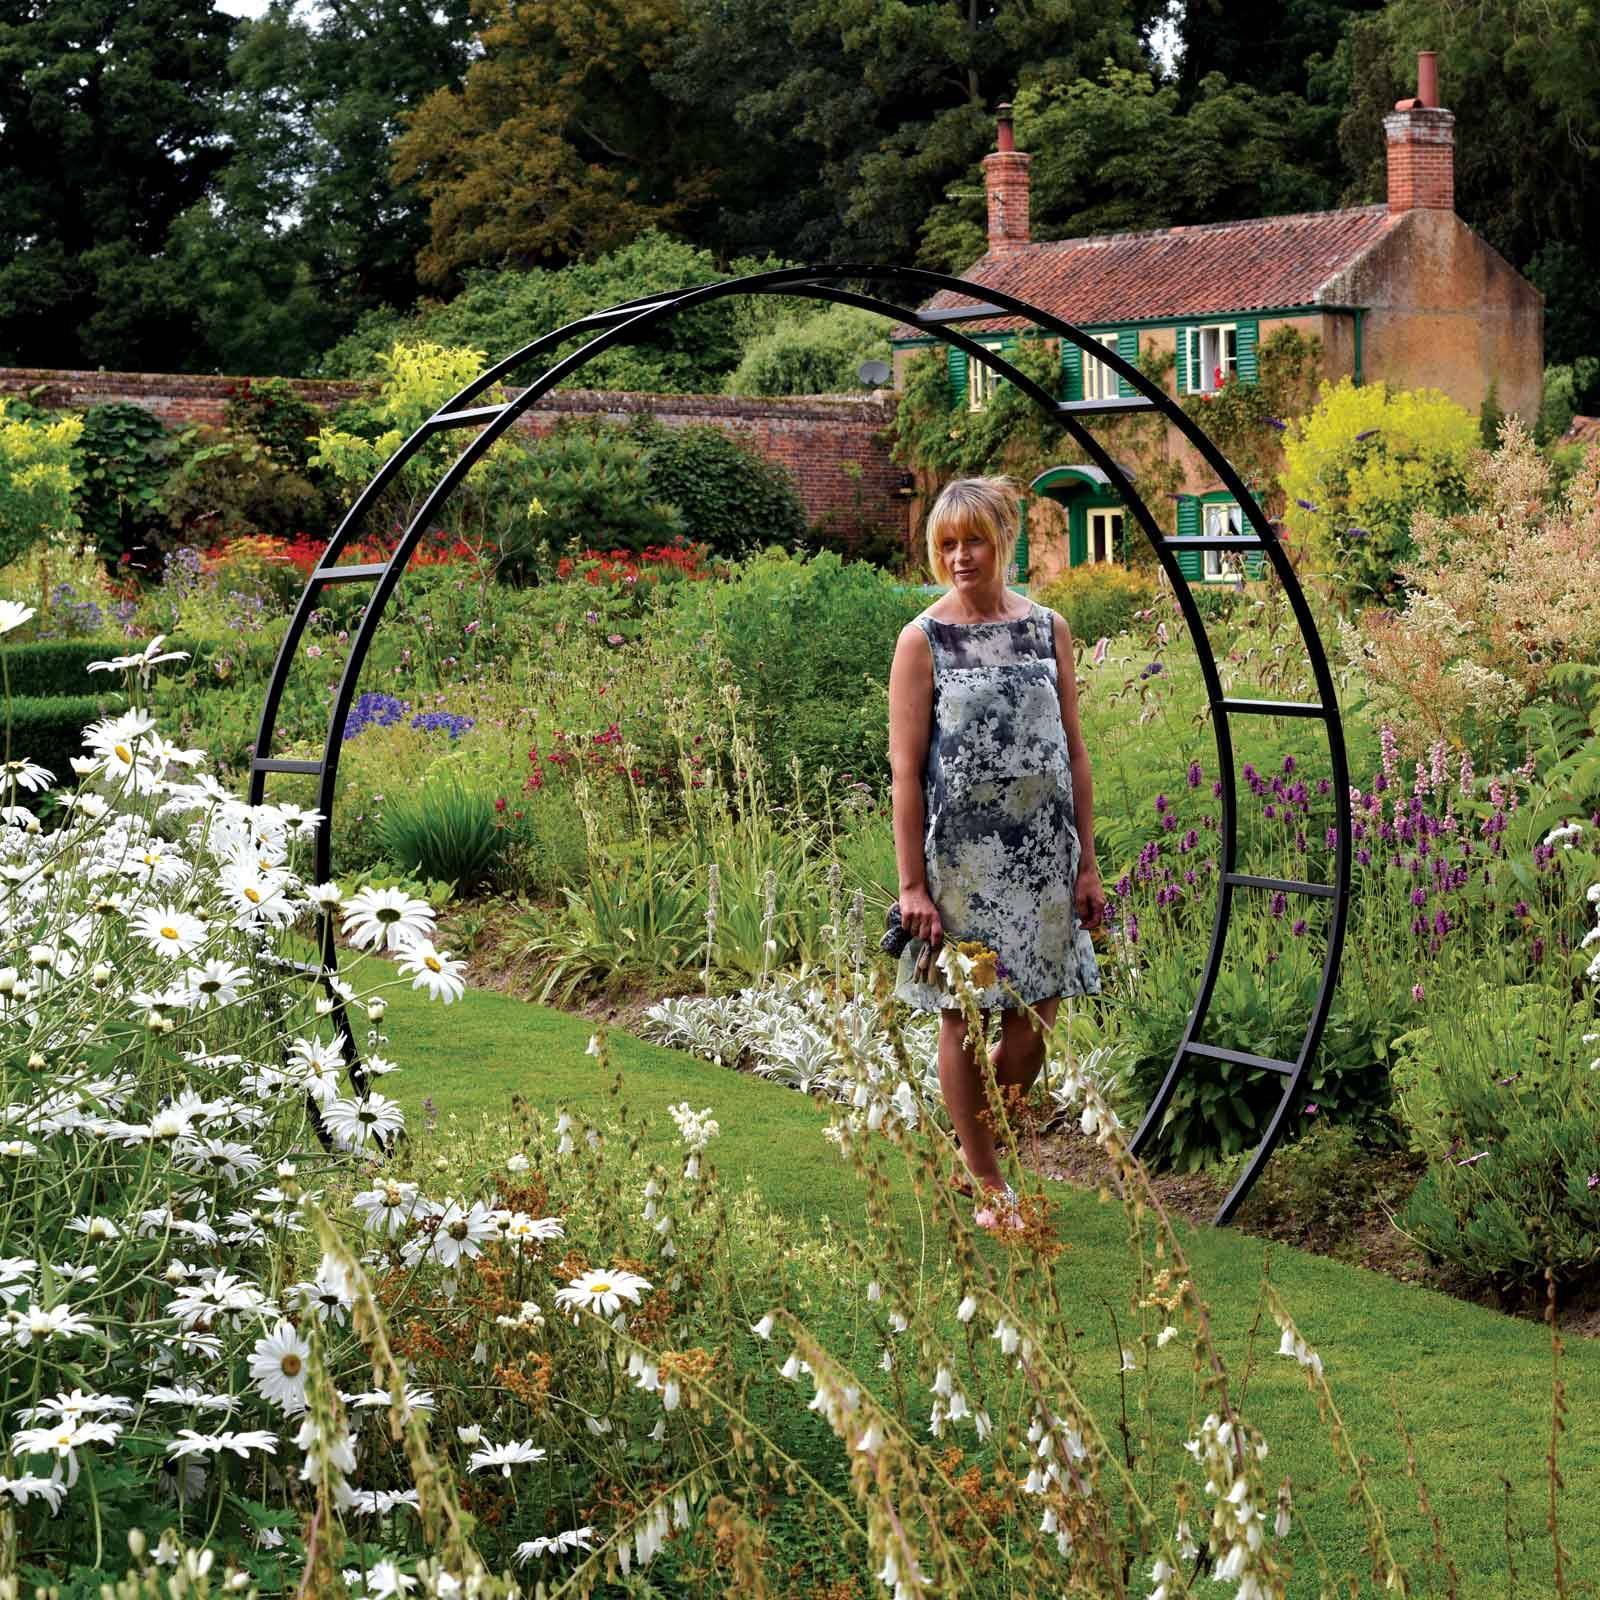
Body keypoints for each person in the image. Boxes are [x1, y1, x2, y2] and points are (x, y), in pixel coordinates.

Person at [886, 476, 1105, 1229]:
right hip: (963, 871)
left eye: (972, 540)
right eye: (946, 544)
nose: (959, 557)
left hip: (1044, 859)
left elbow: (1074, 753)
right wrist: (913, 885)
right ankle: (986, 1177)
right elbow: (906, 771)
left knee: (1033, 1021)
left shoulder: (1049, 629)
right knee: (963, 1013)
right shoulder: (924, 639)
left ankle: (977, 1144)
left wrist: (1086, 863)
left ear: (1002, 539)